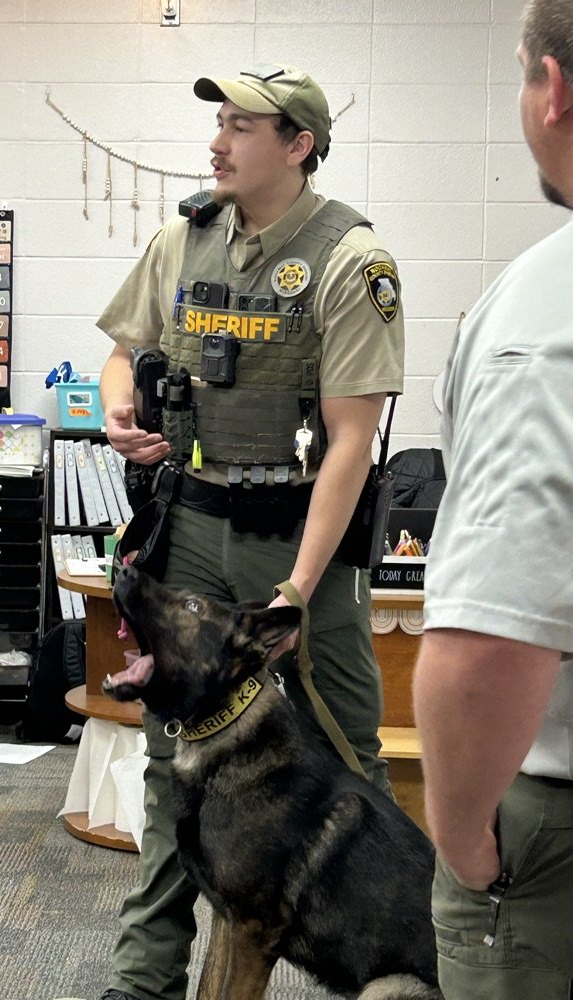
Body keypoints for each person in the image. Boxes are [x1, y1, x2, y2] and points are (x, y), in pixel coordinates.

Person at [96, 63, 404, 1000]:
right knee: (169, 757)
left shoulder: (353, 262)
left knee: (346, 746)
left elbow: (352, 441)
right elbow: (122, 351)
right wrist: (118, 414)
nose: (218, 141)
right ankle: (144, 977)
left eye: (241, 125)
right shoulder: (183, 241)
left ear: (299, 144)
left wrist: (301, 590)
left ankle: (412, 948)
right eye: (219, 122)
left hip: (294, 531)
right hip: (191, 521)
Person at [412, 3, 573, 997]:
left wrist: (465, 836)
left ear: (555, 90)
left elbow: (487, 645)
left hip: (552, 820)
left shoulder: (542, 321)